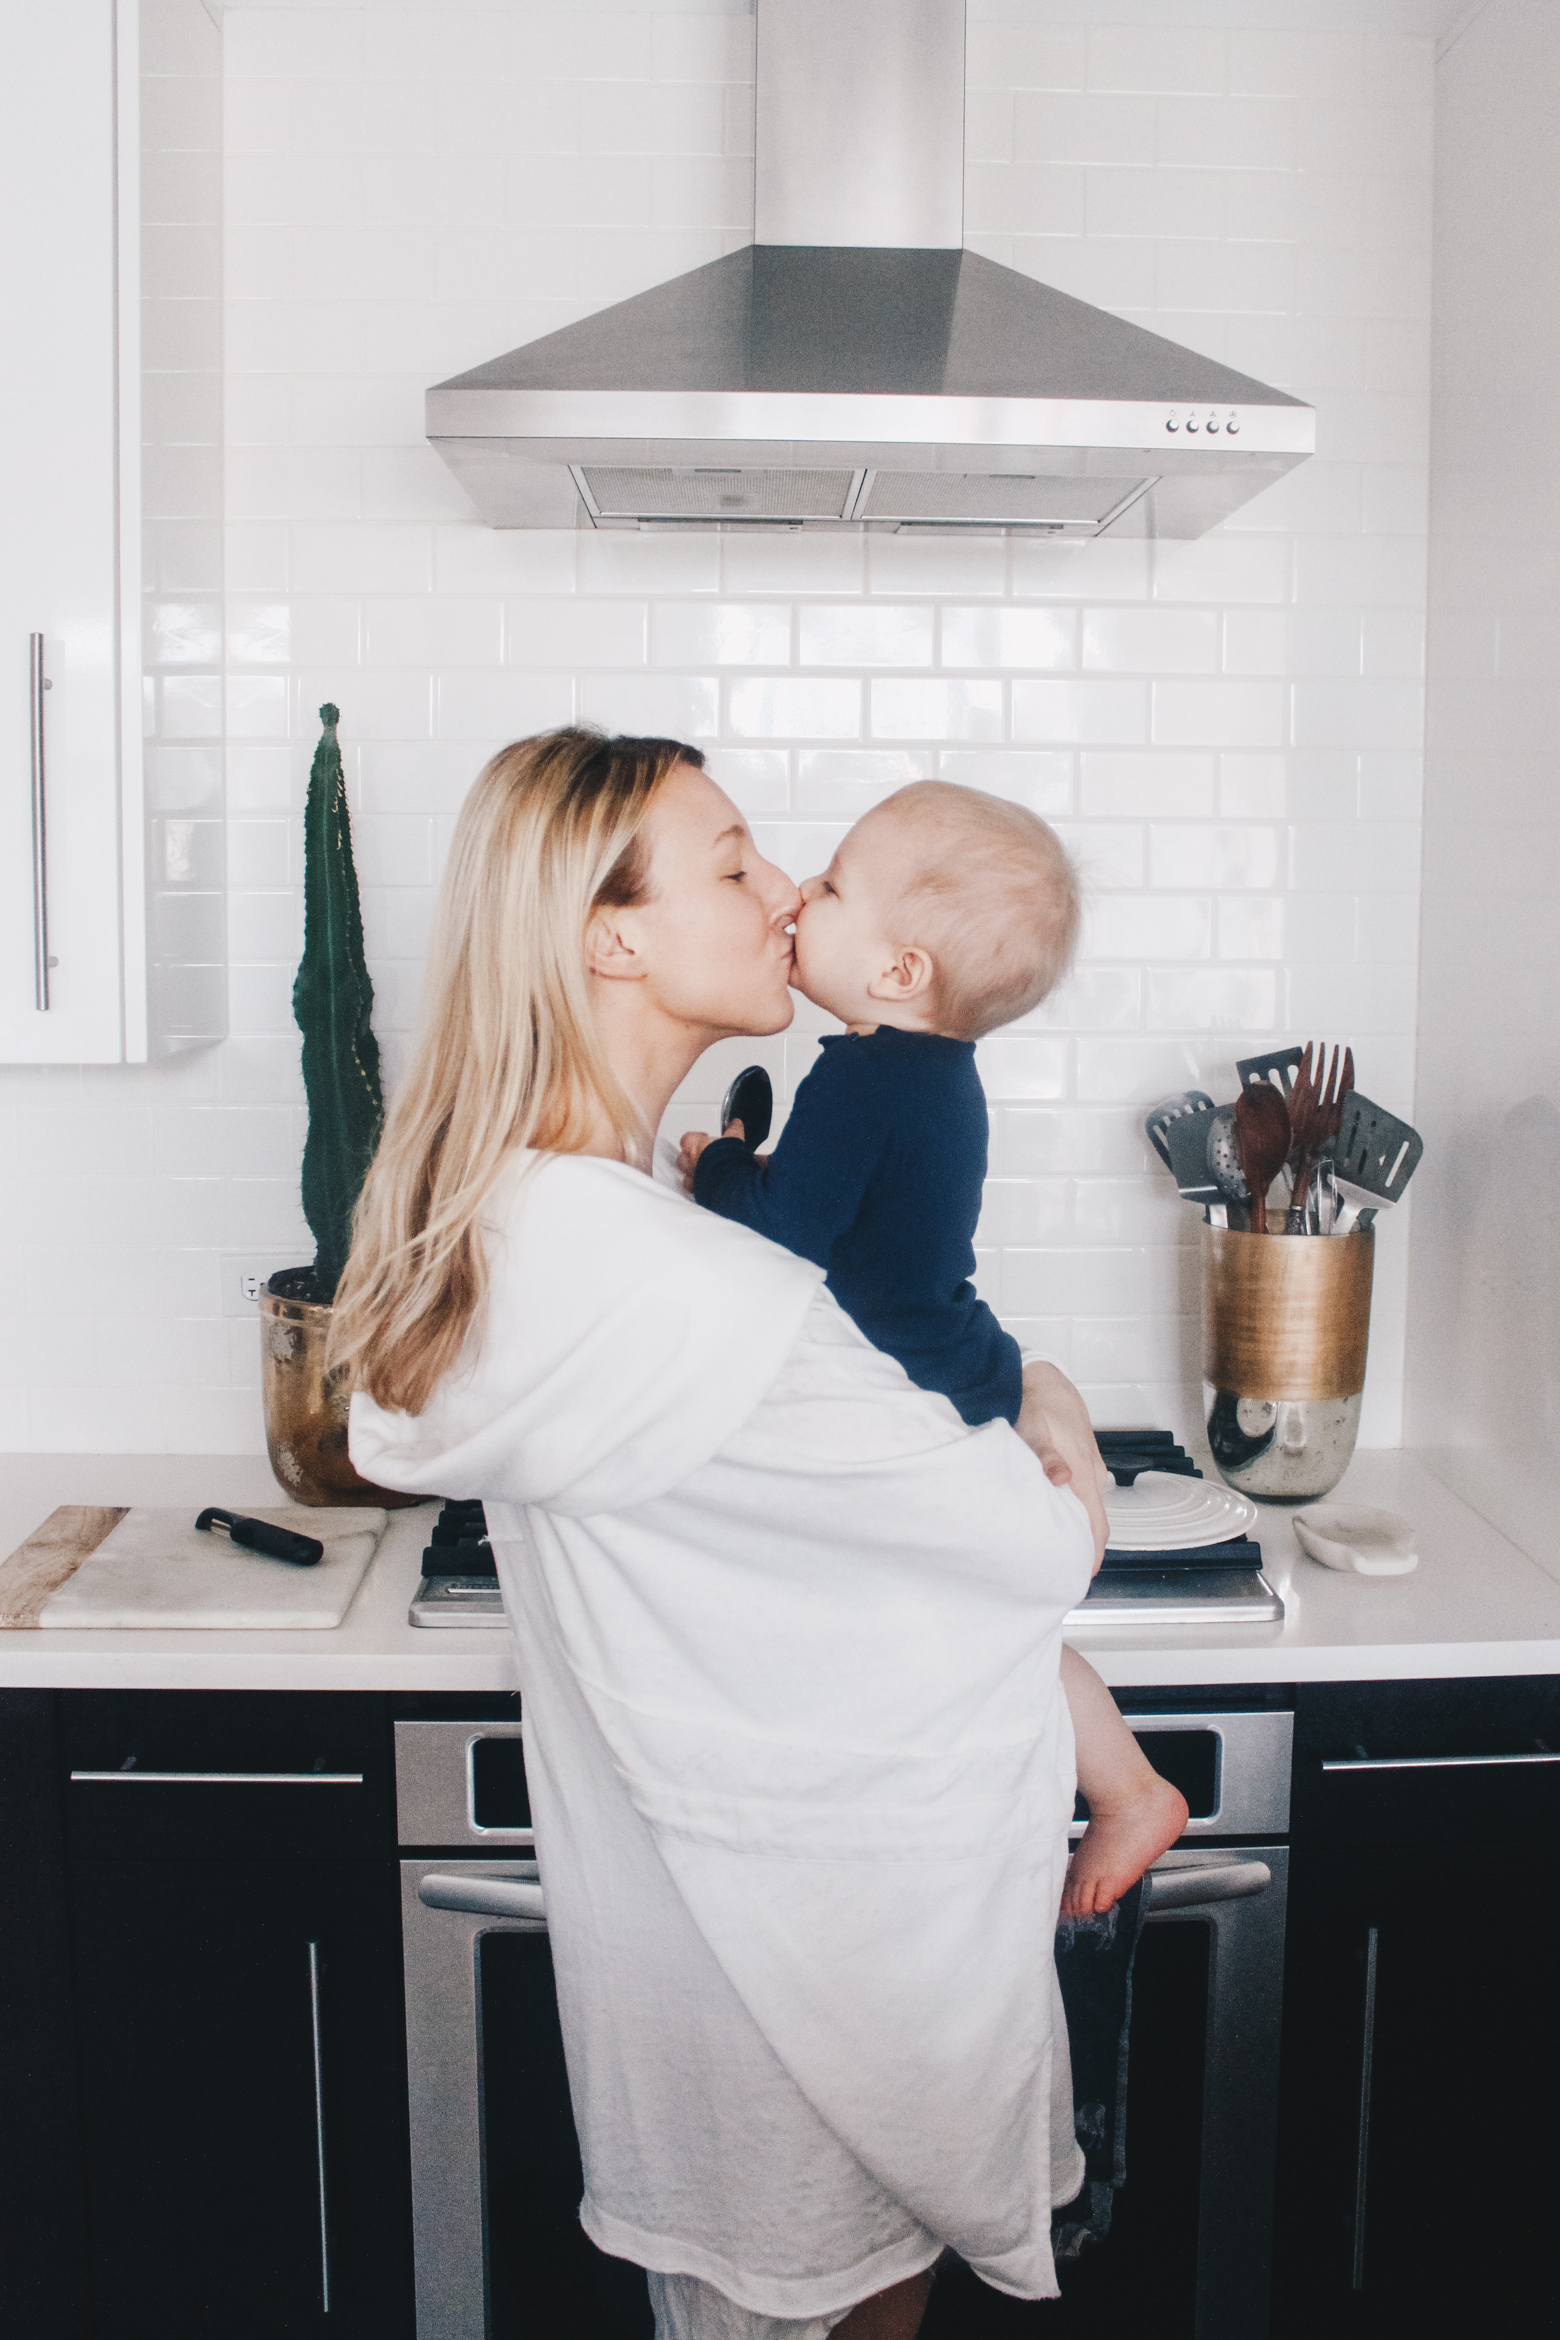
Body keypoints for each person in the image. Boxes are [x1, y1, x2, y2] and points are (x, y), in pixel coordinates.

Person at [334, 729, 1110, 2340]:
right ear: (612, 936)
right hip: (820, 1976)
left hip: (691, 1954)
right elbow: (1037, 1555)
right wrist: (1065, 1420)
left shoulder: (547, 1216)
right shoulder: (693, 1285)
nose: (784, 893)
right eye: (741, 861)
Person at [678, 782, 1187, 1918]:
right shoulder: (935, 1076)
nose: (801, 892)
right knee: (992, 1632)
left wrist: (714, 1167)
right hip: (960, 1369)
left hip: (918, 1391)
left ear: (901, 971)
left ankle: (1129, 1788)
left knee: (989, 1639)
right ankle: (1127, 1785)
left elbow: (790, 1233)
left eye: (834, 885)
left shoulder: (857, 1077)